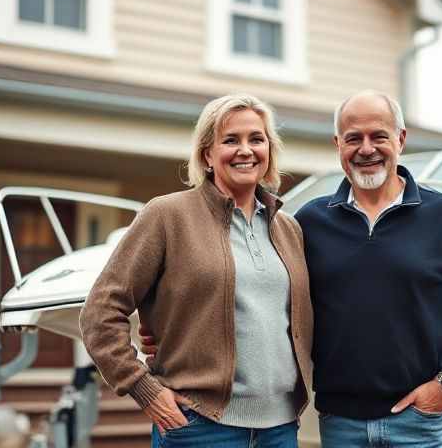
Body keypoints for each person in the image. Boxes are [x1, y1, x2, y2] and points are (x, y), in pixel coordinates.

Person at [143, 90, 442, 447]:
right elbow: (266, 300)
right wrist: (167, 333)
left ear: (401, 139)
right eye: (353, 138)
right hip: (340, 426)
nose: (366, 149)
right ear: (338, 145)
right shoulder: (308, 222)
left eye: (378, 136)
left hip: (421, 424)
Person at [79, 94, 313, 448]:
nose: (245, 150)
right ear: (207, 155)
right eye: (230, 140)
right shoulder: (167, 216)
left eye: (256, 139)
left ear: (269, 150)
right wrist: (144, 389)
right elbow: (99, 312)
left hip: (280, 429)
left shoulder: (288, 229)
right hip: (199, 427)